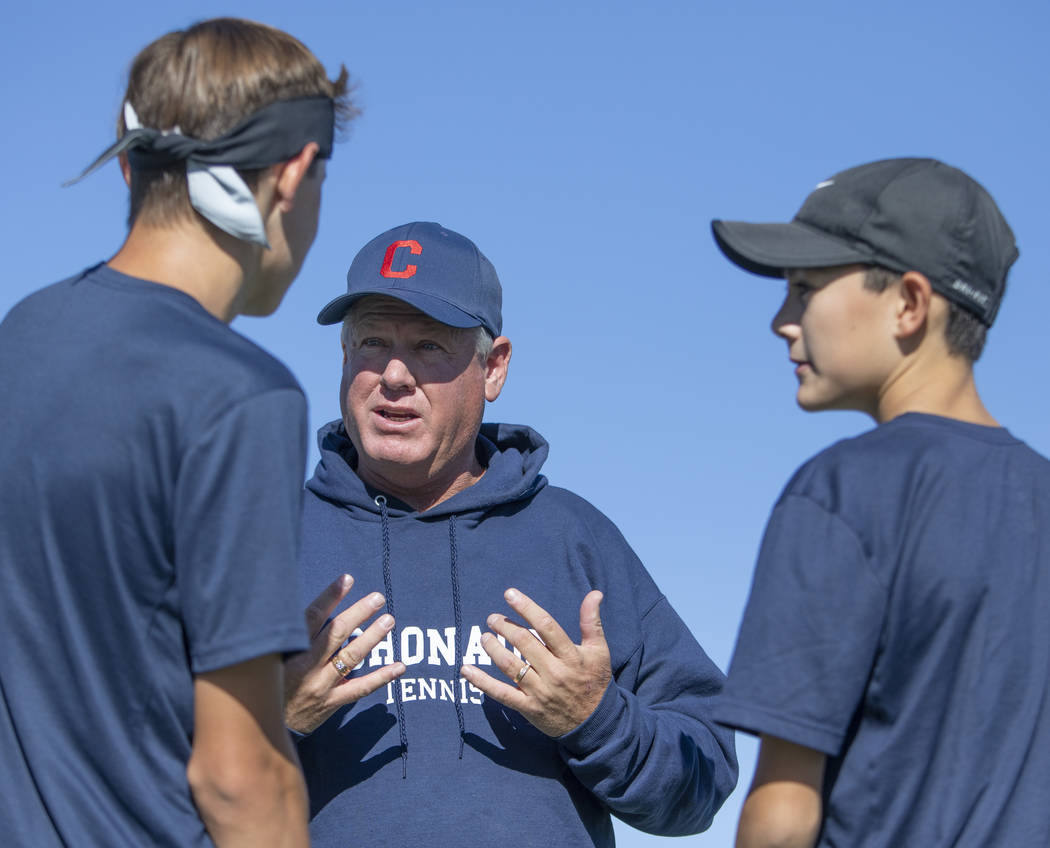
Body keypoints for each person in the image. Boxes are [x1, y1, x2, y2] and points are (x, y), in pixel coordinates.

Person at [0, 18, 353, 847]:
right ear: (295, 174)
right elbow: (238, 776)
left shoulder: (19, 338)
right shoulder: (240, 395)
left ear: (129, 163)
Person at [282, 221, 737, 847]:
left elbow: (702, 780)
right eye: (371, 342)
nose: (392, 375)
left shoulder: (574, 539)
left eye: (429, 347)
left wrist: (596, 723)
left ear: (492, 369)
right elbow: (135, 785)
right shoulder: (265, 541)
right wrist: (264, 723)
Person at [709, 158, 1050, 847]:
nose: (783, 320)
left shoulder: (840, 492)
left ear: (910, 304)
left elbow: (785, 807)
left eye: (805, 289)